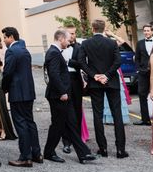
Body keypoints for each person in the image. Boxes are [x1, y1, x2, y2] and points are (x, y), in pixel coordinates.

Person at [42, 29, 96, 164]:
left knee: (71, 123)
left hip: (63, 94)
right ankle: (49, 152)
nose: (69, 41)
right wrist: (62, 92)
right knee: (57, 125)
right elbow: (54, 75)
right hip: (58, 96)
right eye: (67, 39)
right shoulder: (53, 53)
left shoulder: (55, 52)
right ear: (61, 39)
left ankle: (83, 154)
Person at [78, 19, 127, 158]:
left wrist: (94, 76)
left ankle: (103, 149)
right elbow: (118, 61)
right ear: (104, 28)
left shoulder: (86, 43)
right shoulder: (111, 43)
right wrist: (107, 75)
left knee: (97, 115)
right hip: (111, 82)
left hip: (95, 84)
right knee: (117, 115)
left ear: (92, 28)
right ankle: (120, 150)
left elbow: (81, 62)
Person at [2, 27, 41, 167]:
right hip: (28, 91)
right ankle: (37, 154)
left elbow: (7, 73)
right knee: (30, 122)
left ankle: (25, 157)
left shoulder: (11, 51)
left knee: (20, 123)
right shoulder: (24, 50)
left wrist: (4, 88)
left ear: (11, 37)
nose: (4, 40)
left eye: (5, 37)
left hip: (17, 92)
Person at [61, 25, 84, 153]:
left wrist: (68, 61)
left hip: (75, 81)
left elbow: (81, 64)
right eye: (70, 33)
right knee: (65, 112)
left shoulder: (79, 47)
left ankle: (78, 140)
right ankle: (66, 142)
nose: (72, 36)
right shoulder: (59, 48)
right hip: (63, 82)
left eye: (74, 33)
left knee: (77, 111)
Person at [134, 24, 153, 126]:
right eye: (145, 31)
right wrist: (138, 70)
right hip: (143, 73)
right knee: (142, 94)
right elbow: (136, 58)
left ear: (152, 31)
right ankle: (145, 119)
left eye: (148, 30)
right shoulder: (140, 43)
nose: (146, 32)